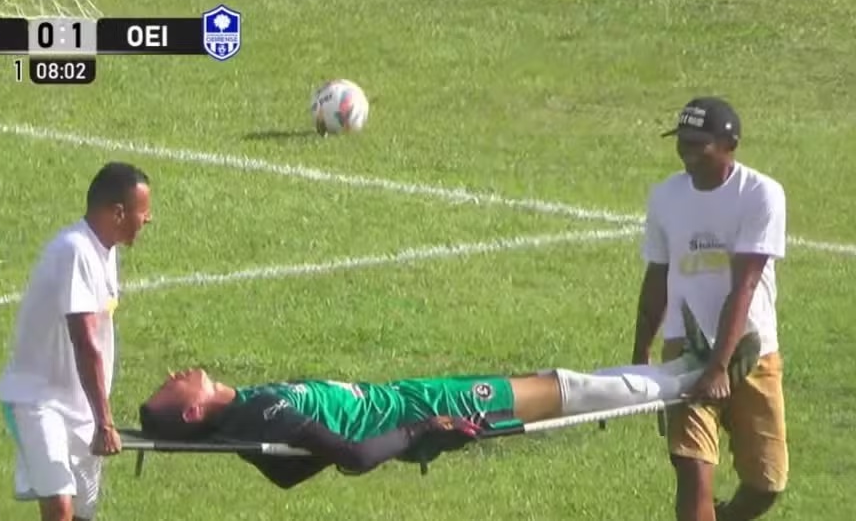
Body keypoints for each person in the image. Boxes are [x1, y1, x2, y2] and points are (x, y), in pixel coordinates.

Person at [137, 359, 708, 489]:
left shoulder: (245, 414)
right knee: (563, 393)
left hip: (412, 402)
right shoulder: (258, 414)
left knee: (547, 385)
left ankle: (676, 372)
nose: (172, 372)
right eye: (171, 386)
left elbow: (286, 477)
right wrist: (422, 429)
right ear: (192, 410)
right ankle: (692, 375)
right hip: (419, 409)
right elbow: (354, 460)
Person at [632, 97, 788, 521]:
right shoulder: (666, 196)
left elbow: (746, 285)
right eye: (681, 140)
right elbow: (657, 278)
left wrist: (720, 365)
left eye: (697, 143)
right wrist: (640, 358)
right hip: (686, 349)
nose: (685, 150)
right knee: (693, 471)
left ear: (728, 143)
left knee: (765, 483)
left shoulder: (760, 194)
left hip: (750, 351)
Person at [0, 162, 153, 521]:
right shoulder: (75, 251)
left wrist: (96, 416)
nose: (148, 220)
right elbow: (84, 341)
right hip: (38, 401)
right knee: (60, 507)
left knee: (84, 513)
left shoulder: (104, 250)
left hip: (80, 408)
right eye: (143, 212)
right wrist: (106, 421)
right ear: (118, 212)